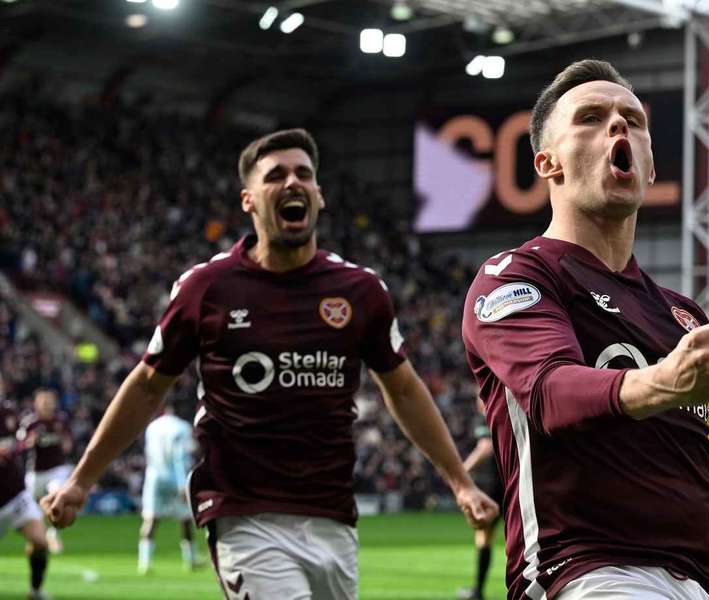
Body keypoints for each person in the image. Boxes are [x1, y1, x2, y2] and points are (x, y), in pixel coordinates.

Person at [41, 128, 498, 599]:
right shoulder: (206, 289)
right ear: (249, 200)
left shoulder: (360, 291)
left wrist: (460, 484)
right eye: (276, 175)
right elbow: (146, 386)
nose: (292, 182)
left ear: (319, 195)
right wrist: (80, 481)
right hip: (243, 512)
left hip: (332, 515)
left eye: (304, 174)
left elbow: (402, 388)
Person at [461, 60, 709, 600]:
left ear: (649, 169)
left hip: (703, 585)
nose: (618, 125)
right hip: (585, 574)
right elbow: (551, 393)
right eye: (590, 118)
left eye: (633, 119)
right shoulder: (517, 277)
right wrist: (664, 381)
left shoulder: (683, 317)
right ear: (548, 163)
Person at [138, 404, 199, 574]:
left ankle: (145, 562)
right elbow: (180, 457)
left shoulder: (152, 427)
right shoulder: (182, 427)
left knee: (151, 519)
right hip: (174, 478)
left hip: (154, 477)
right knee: (185, 519)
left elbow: (148, 453)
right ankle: (191, 560)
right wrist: (182, 484)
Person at [1, 395, 51, 600]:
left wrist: (25, 443)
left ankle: (35, 590)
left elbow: (19, 443)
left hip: (15, 495)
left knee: (40, 542)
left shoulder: (8, 411)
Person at [458, 401, 504, 600]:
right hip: (514, 483)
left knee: (484, 536)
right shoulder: (507, 414)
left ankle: (478, 590)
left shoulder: (486, 417)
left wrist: (461, 471)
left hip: (492, 487)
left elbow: (486, 447)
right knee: (521, 537)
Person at [19, 388, 72, 554]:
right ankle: (38, 539)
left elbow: (68, 445)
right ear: (36, 404)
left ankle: (53, 533)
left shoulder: (61, 421)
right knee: (31, 509)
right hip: (36, 472)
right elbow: (20, 445)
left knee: (57, 496)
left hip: (56, 470)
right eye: (43, 402)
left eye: (49, 401)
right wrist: (31, 441)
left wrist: (64, 442)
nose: (47, 405)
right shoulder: (30, 423)